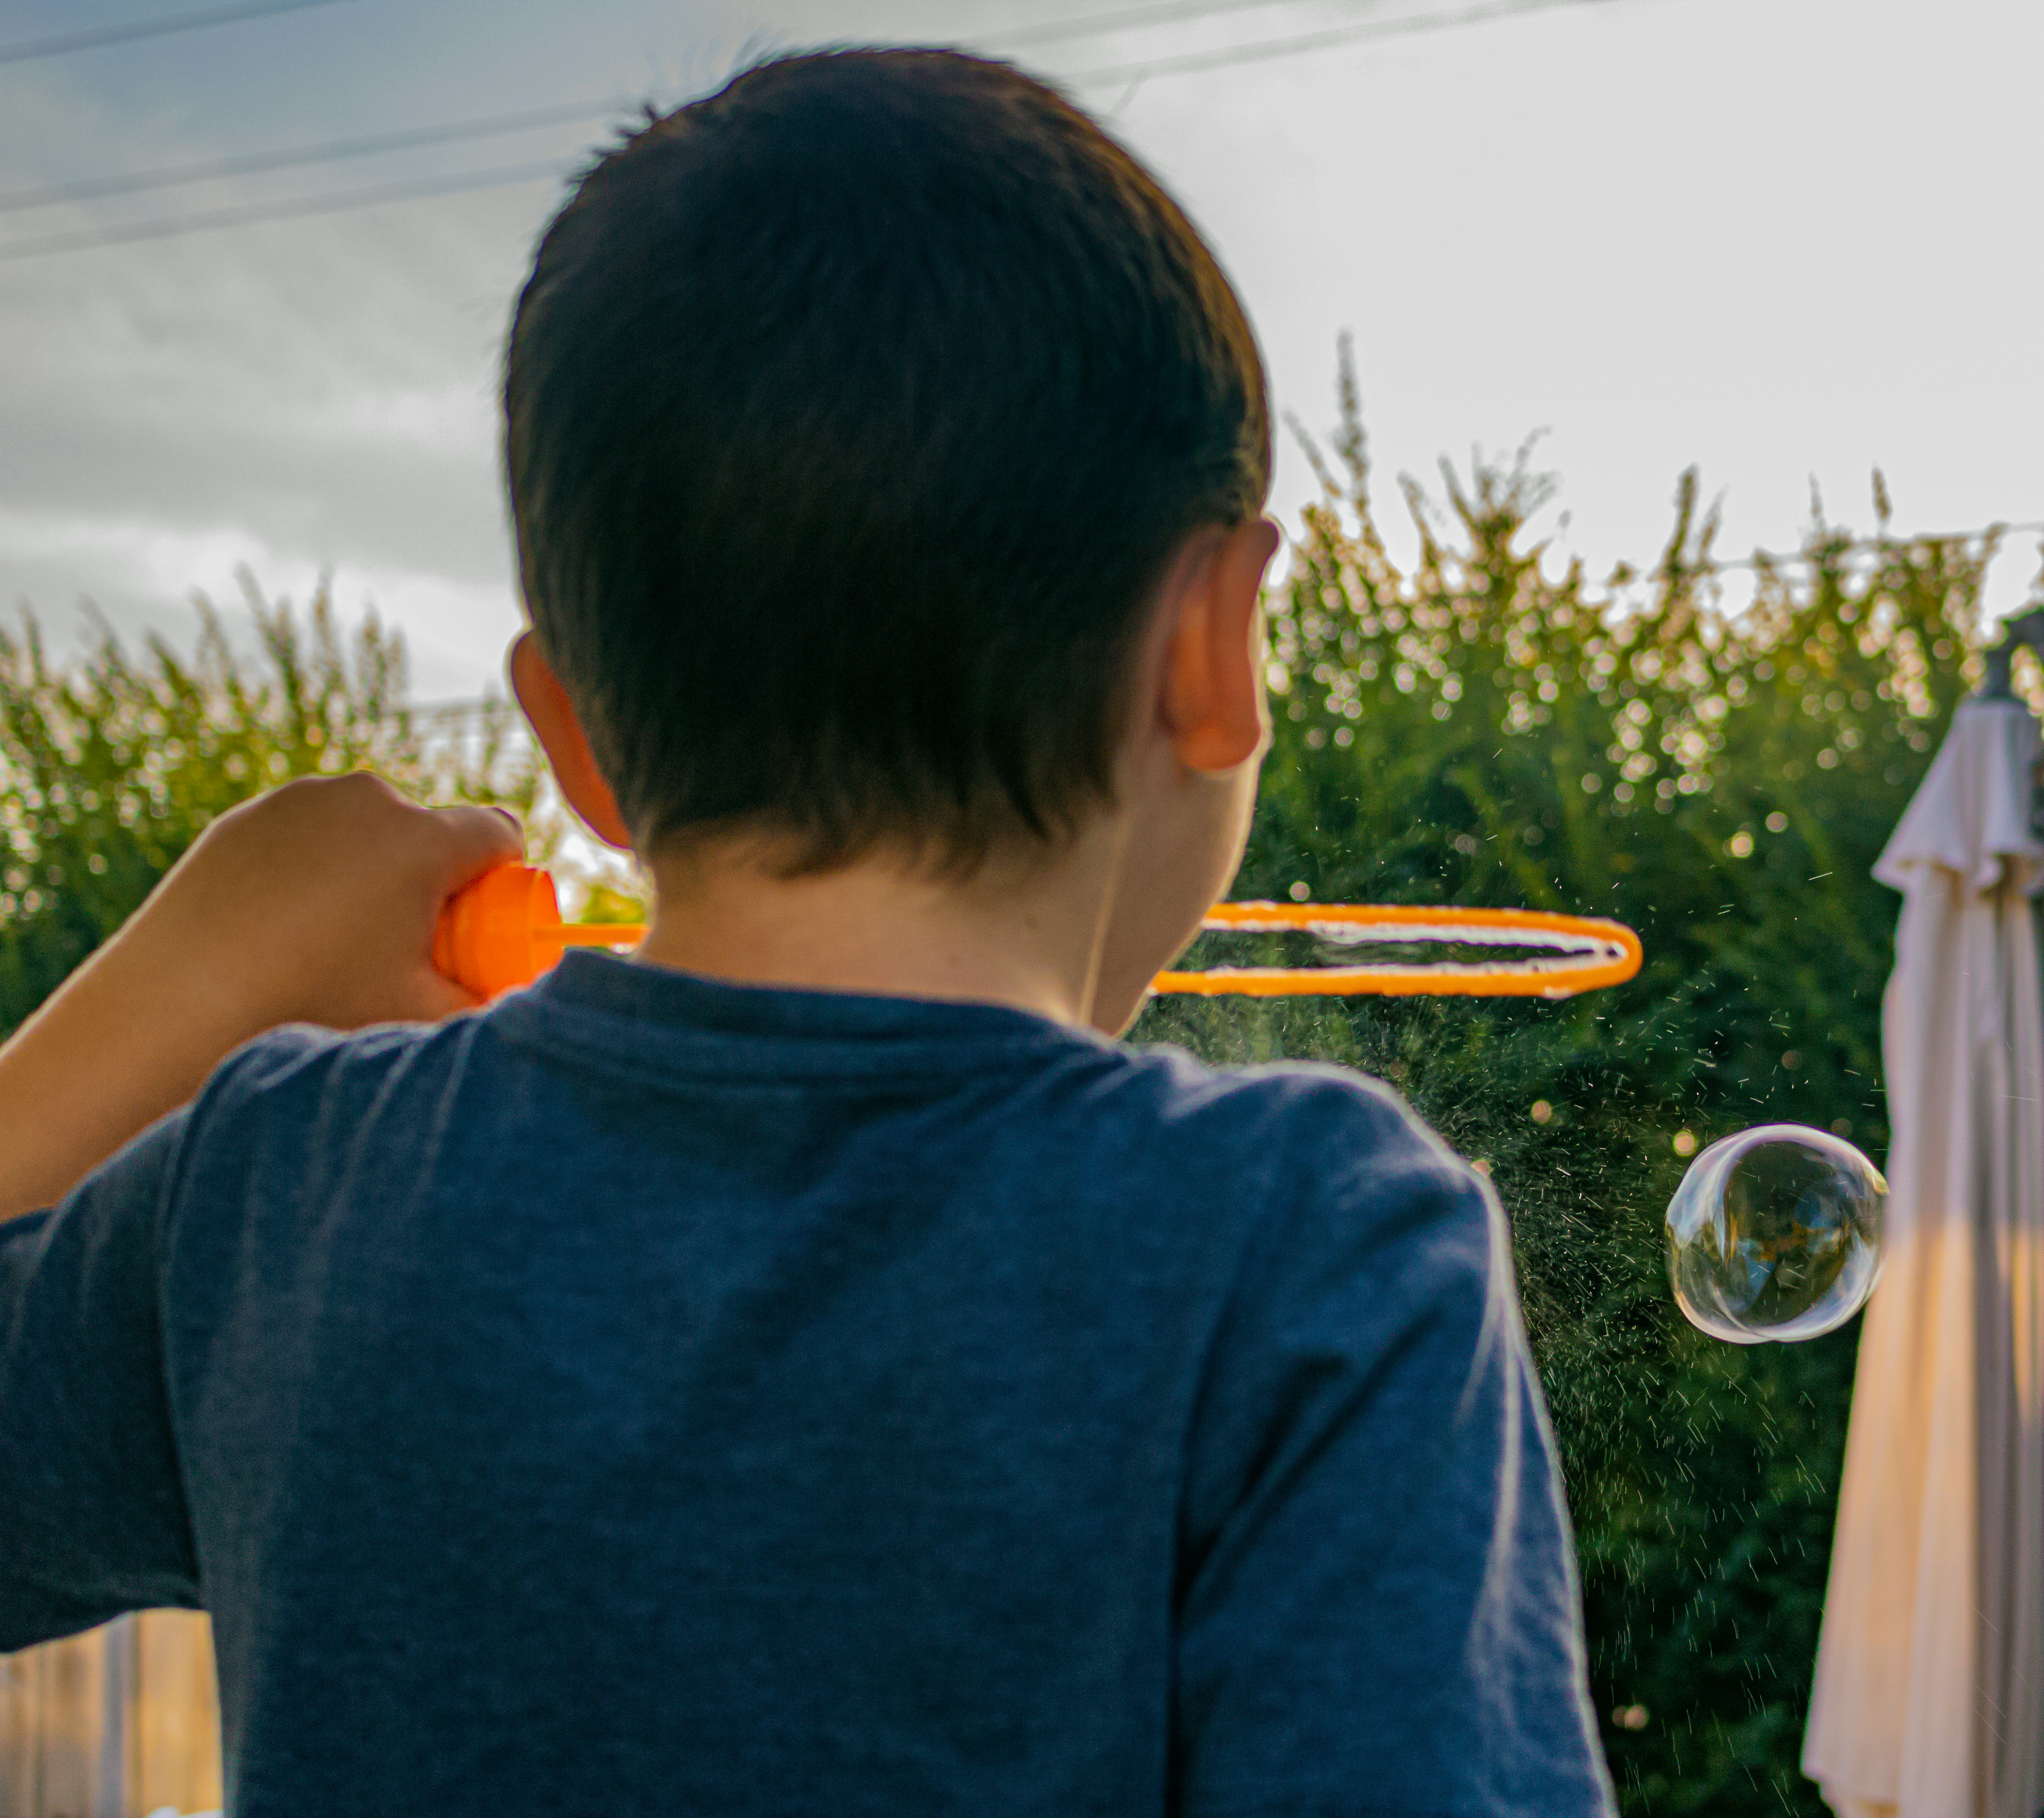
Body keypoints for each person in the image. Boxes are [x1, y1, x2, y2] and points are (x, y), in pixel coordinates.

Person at [0, 49, 1614, 1817]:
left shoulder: (282, 1198)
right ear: (1215, 647)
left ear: (574, 740)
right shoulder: (1320, 1248)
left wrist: (196, 970)